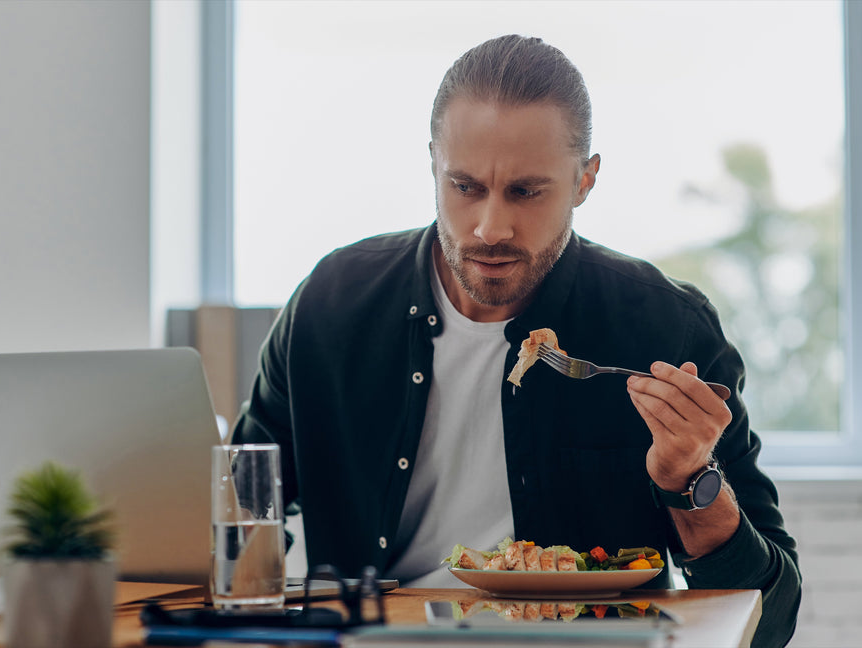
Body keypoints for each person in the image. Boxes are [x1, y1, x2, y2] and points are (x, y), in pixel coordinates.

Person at [233, 34, 801, 648]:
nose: (490, 227)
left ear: (585, 180)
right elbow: (240, 508)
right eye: (466, 186)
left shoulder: (665, 328)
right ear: (433, 166)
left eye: (526, 192)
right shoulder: (329, 305)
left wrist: (688, 480)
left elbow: (772, 617)